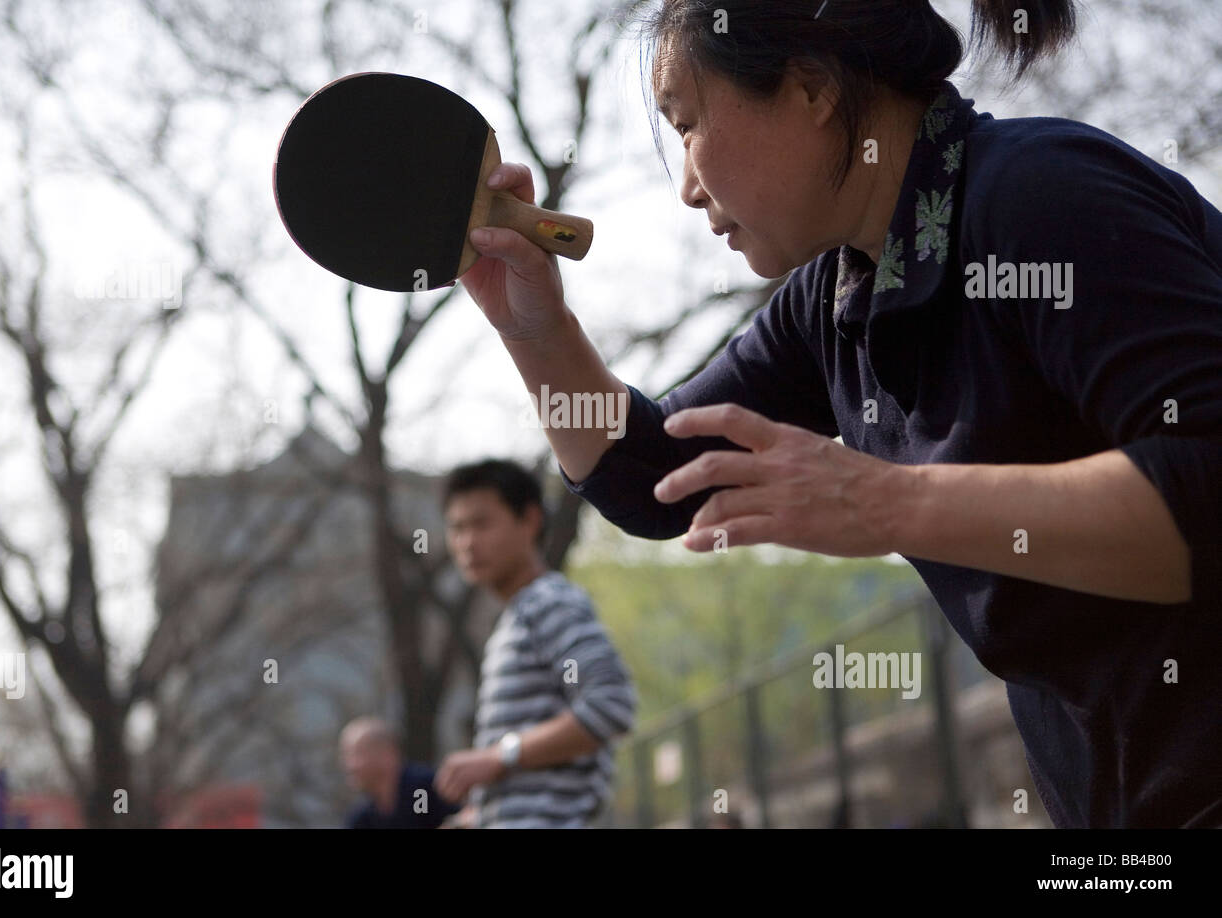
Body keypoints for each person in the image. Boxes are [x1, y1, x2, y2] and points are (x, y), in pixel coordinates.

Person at [457, 0, 1222, 829]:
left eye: (686, 126)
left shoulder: (1041, 193)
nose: (684, 187)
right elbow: (654, 480)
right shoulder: (836, 299)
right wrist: (532, 326)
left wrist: (889, 503)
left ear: (813, 88)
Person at [433, 459, 637, 828]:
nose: (467, 542)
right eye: (456, 528)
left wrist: (500, 756)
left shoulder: (549, 602)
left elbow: (612, 702)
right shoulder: (516, 619)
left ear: (529, 520)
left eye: (481, 523)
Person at [339, 716, 459, 829]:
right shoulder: (361, 818)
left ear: (388, 754)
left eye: (357, 754)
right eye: (346, 756)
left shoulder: (424, 789)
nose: (349, 765)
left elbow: (466, 817)